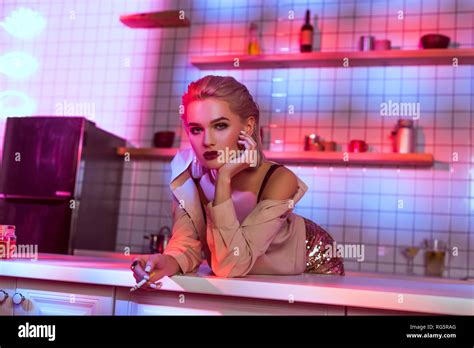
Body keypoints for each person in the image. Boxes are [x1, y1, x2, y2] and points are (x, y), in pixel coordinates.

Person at [131, 75, 344, 289]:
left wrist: (224, 179)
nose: (207, 141)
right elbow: (188, 245)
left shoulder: (279, 179)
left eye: (220, 126)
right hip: (246, 278)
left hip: (313, 261)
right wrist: (165, 262)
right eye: (196, 129)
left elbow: (230, 265)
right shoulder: (187, 175)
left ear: (248, 127)